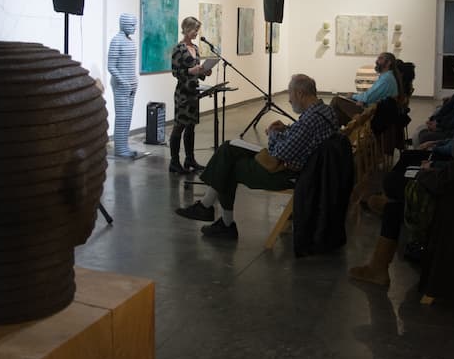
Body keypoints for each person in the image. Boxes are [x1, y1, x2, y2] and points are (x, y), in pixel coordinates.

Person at [348, 87, 454, 292]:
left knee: (395, 200)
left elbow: (447, 181)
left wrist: (424, 173)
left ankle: (378, 267)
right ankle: (378, 263)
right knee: (396, 202)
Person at [175, 74, 339, 239]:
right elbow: (303, 139)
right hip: (307, 170)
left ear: (300, 94)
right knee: (229, 149)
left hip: (287, 174)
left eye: (290, 94)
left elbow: (277, 153)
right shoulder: (326, 111)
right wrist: (287, 130)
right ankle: (209, 210)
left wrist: (273, 133)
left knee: (229, 164)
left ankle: (219, 218)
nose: (289, 99)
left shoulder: (308, 121)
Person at [168, 16, 212, 175]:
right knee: (179, 126)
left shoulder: (196, 48)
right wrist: (190, 71)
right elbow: (175, 72)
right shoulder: (178, 49)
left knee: (191, 127)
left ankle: (190, 159)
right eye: (194, 29)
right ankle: (174, 162)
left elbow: (198, 71)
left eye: (197, 30)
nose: (196, 33)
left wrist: (204, 72)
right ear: (186, 29)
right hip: (183, 94)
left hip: (194, 92)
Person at [331, 52, 400, 125]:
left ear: (388, 63)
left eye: (380, 59)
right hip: (375, 110)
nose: (377, 61)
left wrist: (353, 96)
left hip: (374, 115)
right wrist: (361, 100)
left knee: (336, 100)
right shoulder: (387, 77)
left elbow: (368, 97)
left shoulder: (386, 79)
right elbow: (371, 96)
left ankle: (331, 127)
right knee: (339, 112)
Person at [107, 13, 139, 158]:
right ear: (123, 24)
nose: (134, 28)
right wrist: (124, 81)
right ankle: (120, 149)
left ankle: (124, 146)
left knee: (127, 117)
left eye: (135, 24)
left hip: (131, 85)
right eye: (132, 25)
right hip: (121, 85)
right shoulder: (116, 41)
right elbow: (111, 66)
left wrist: (133, 80)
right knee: (122, 117)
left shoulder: (130, 41)